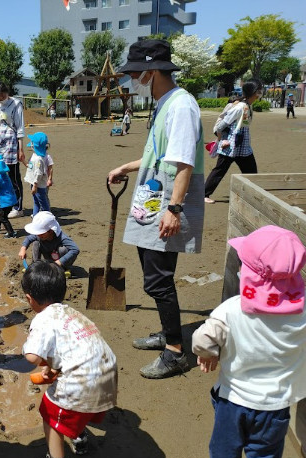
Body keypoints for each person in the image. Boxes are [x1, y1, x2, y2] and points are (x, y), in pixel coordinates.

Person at [107, 39, 205, 379]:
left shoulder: (180, 106)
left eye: (135, 73)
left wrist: (174, 210)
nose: (132, 78)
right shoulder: (165, 103)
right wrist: (126, 167)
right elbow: (159, 156)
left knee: (159, 279)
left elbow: (183, 163)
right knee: (156, 275)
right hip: (153, 199)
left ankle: (176, 350)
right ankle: (168, 331)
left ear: (152, 71)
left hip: (165, 203)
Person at [192, 225, 306, 458]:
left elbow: (201, 340)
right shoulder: (302, 311)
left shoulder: (231, 310)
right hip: (276, 405)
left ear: (249, 274)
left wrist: (210, 354)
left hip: (233, 400)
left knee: (223, 448)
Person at [21, 261, 118, 458]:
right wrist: (54, 367)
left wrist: (34, 355)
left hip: (82, 380)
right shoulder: (71, 313)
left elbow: (32, 357)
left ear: (29, 299)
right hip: (107, 373)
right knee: (76, 407)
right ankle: (79, 437)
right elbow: (73, 348)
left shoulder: (43, 319)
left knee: (50, 412)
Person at [204, 80, 262, 204]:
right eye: (259, 91)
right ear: (253, 92)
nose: (260, 93)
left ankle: (253, 196)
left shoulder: (247, 106)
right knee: (219, 170)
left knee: (251, 172)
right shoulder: (240, 107)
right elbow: (221, 125)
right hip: (230, 146)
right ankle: (204, 194)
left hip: (243, 146)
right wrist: (222, 139)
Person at [0, 81, 25, 219]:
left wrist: (21, 148)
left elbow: (20, 128)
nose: (0, 98)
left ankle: (18, 207)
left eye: (3, 95)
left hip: (10, 145)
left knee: (12, 177)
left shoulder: (16, 104)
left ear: (7, 92)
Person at [18, 211, 79, 277]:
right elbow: (29, 238)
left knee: (63, 249)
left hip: (59, 260)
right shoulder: (39, 235)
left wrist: (60, 262)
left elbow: (75, 249)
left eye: (41, 233)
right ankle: (35, 265)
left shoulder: (62, 237)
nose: (39, 235)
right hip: (48, 257)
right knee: (36, 242)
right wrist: (23, 248)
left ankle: (63, 269)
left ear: (51, 231)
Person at [23, 132, 53, 216]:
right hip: (34, 183)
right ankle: (35, 218)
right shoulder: (35, 156)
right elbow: (31, 167)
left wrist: (35, 185)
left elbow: (39, 173)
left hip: (39, 185)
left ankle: (49, 219)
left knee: (43, 203)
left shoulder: (39, 159)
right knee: (36, 201)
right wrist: (23, 161)